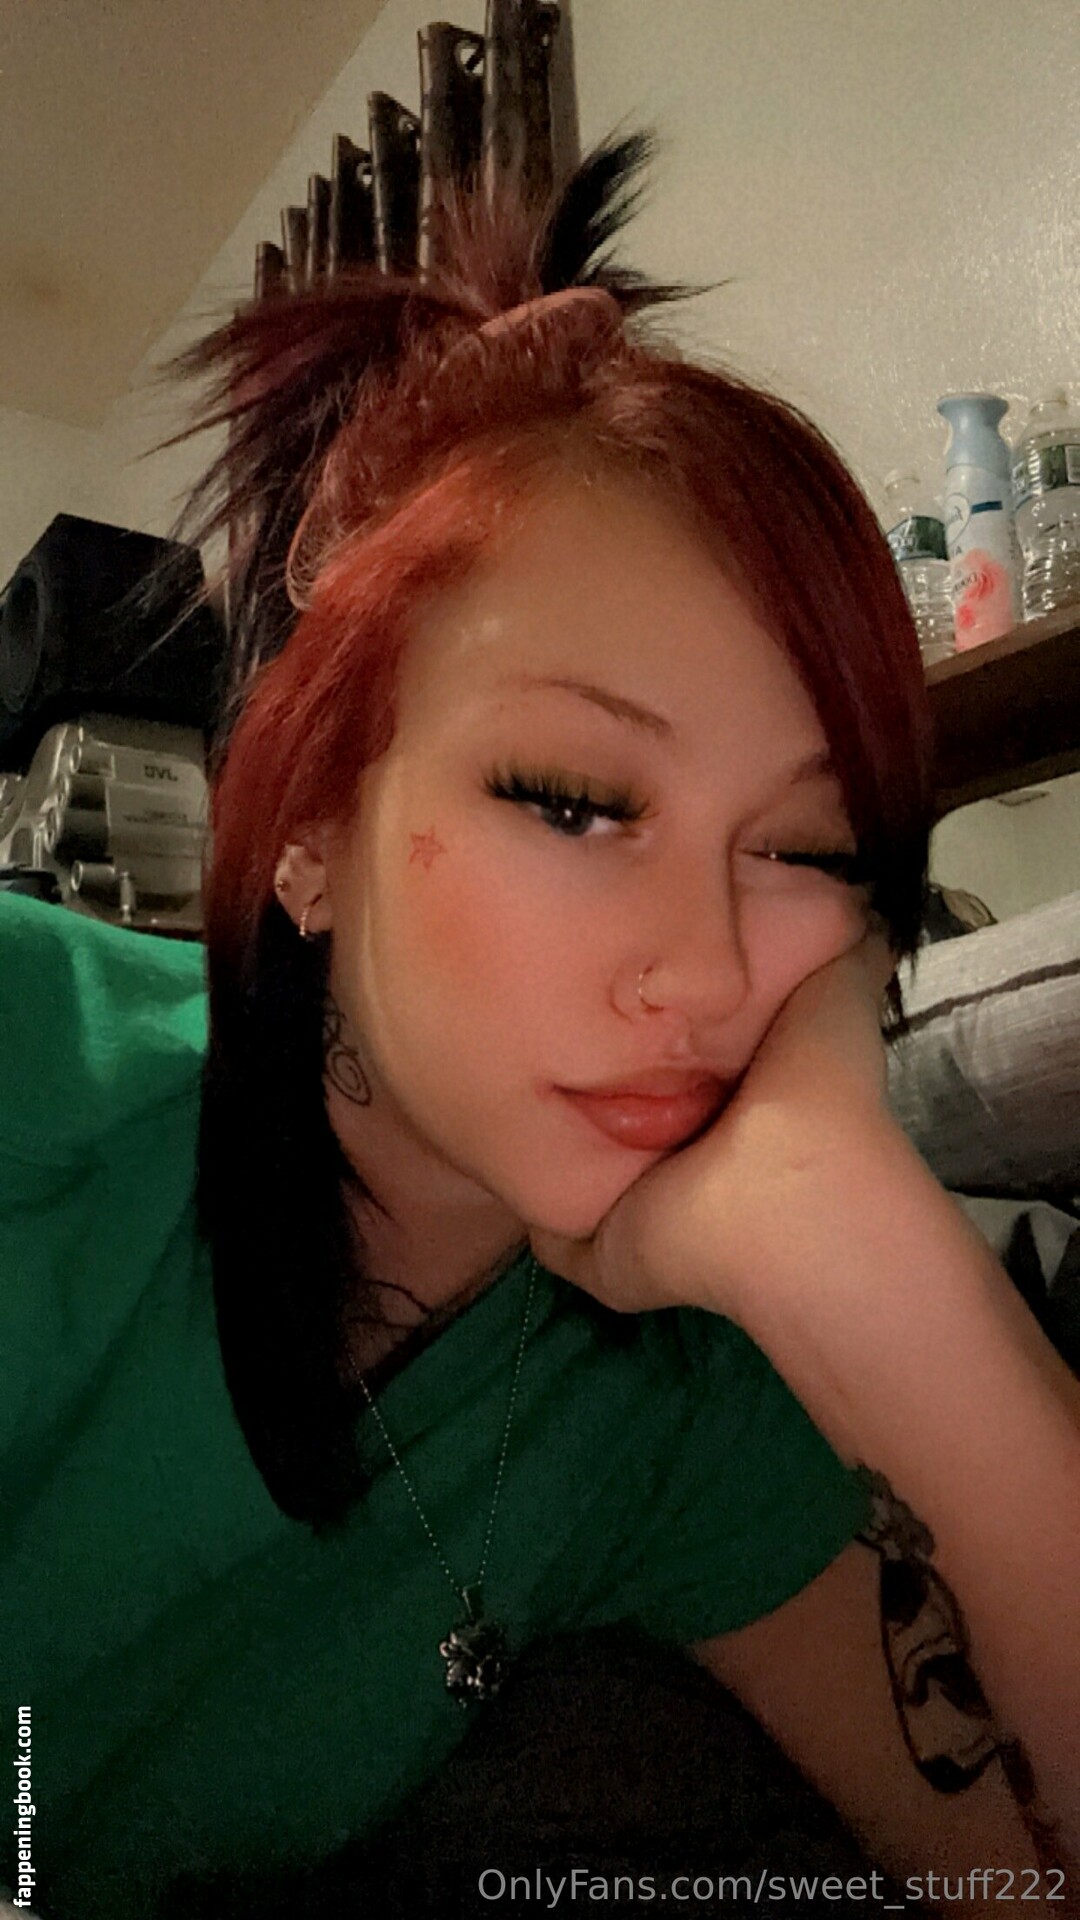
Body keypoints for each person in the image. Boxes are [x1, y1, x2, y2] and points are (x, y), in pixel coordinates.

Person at [2, 135, 1078, 1920]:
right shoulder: (35, 1066)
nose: (708, 972)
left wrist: (874, 1256)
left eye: (806, 848)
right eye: (575, 800)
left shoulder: (669, 1406)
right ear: (311, 825)